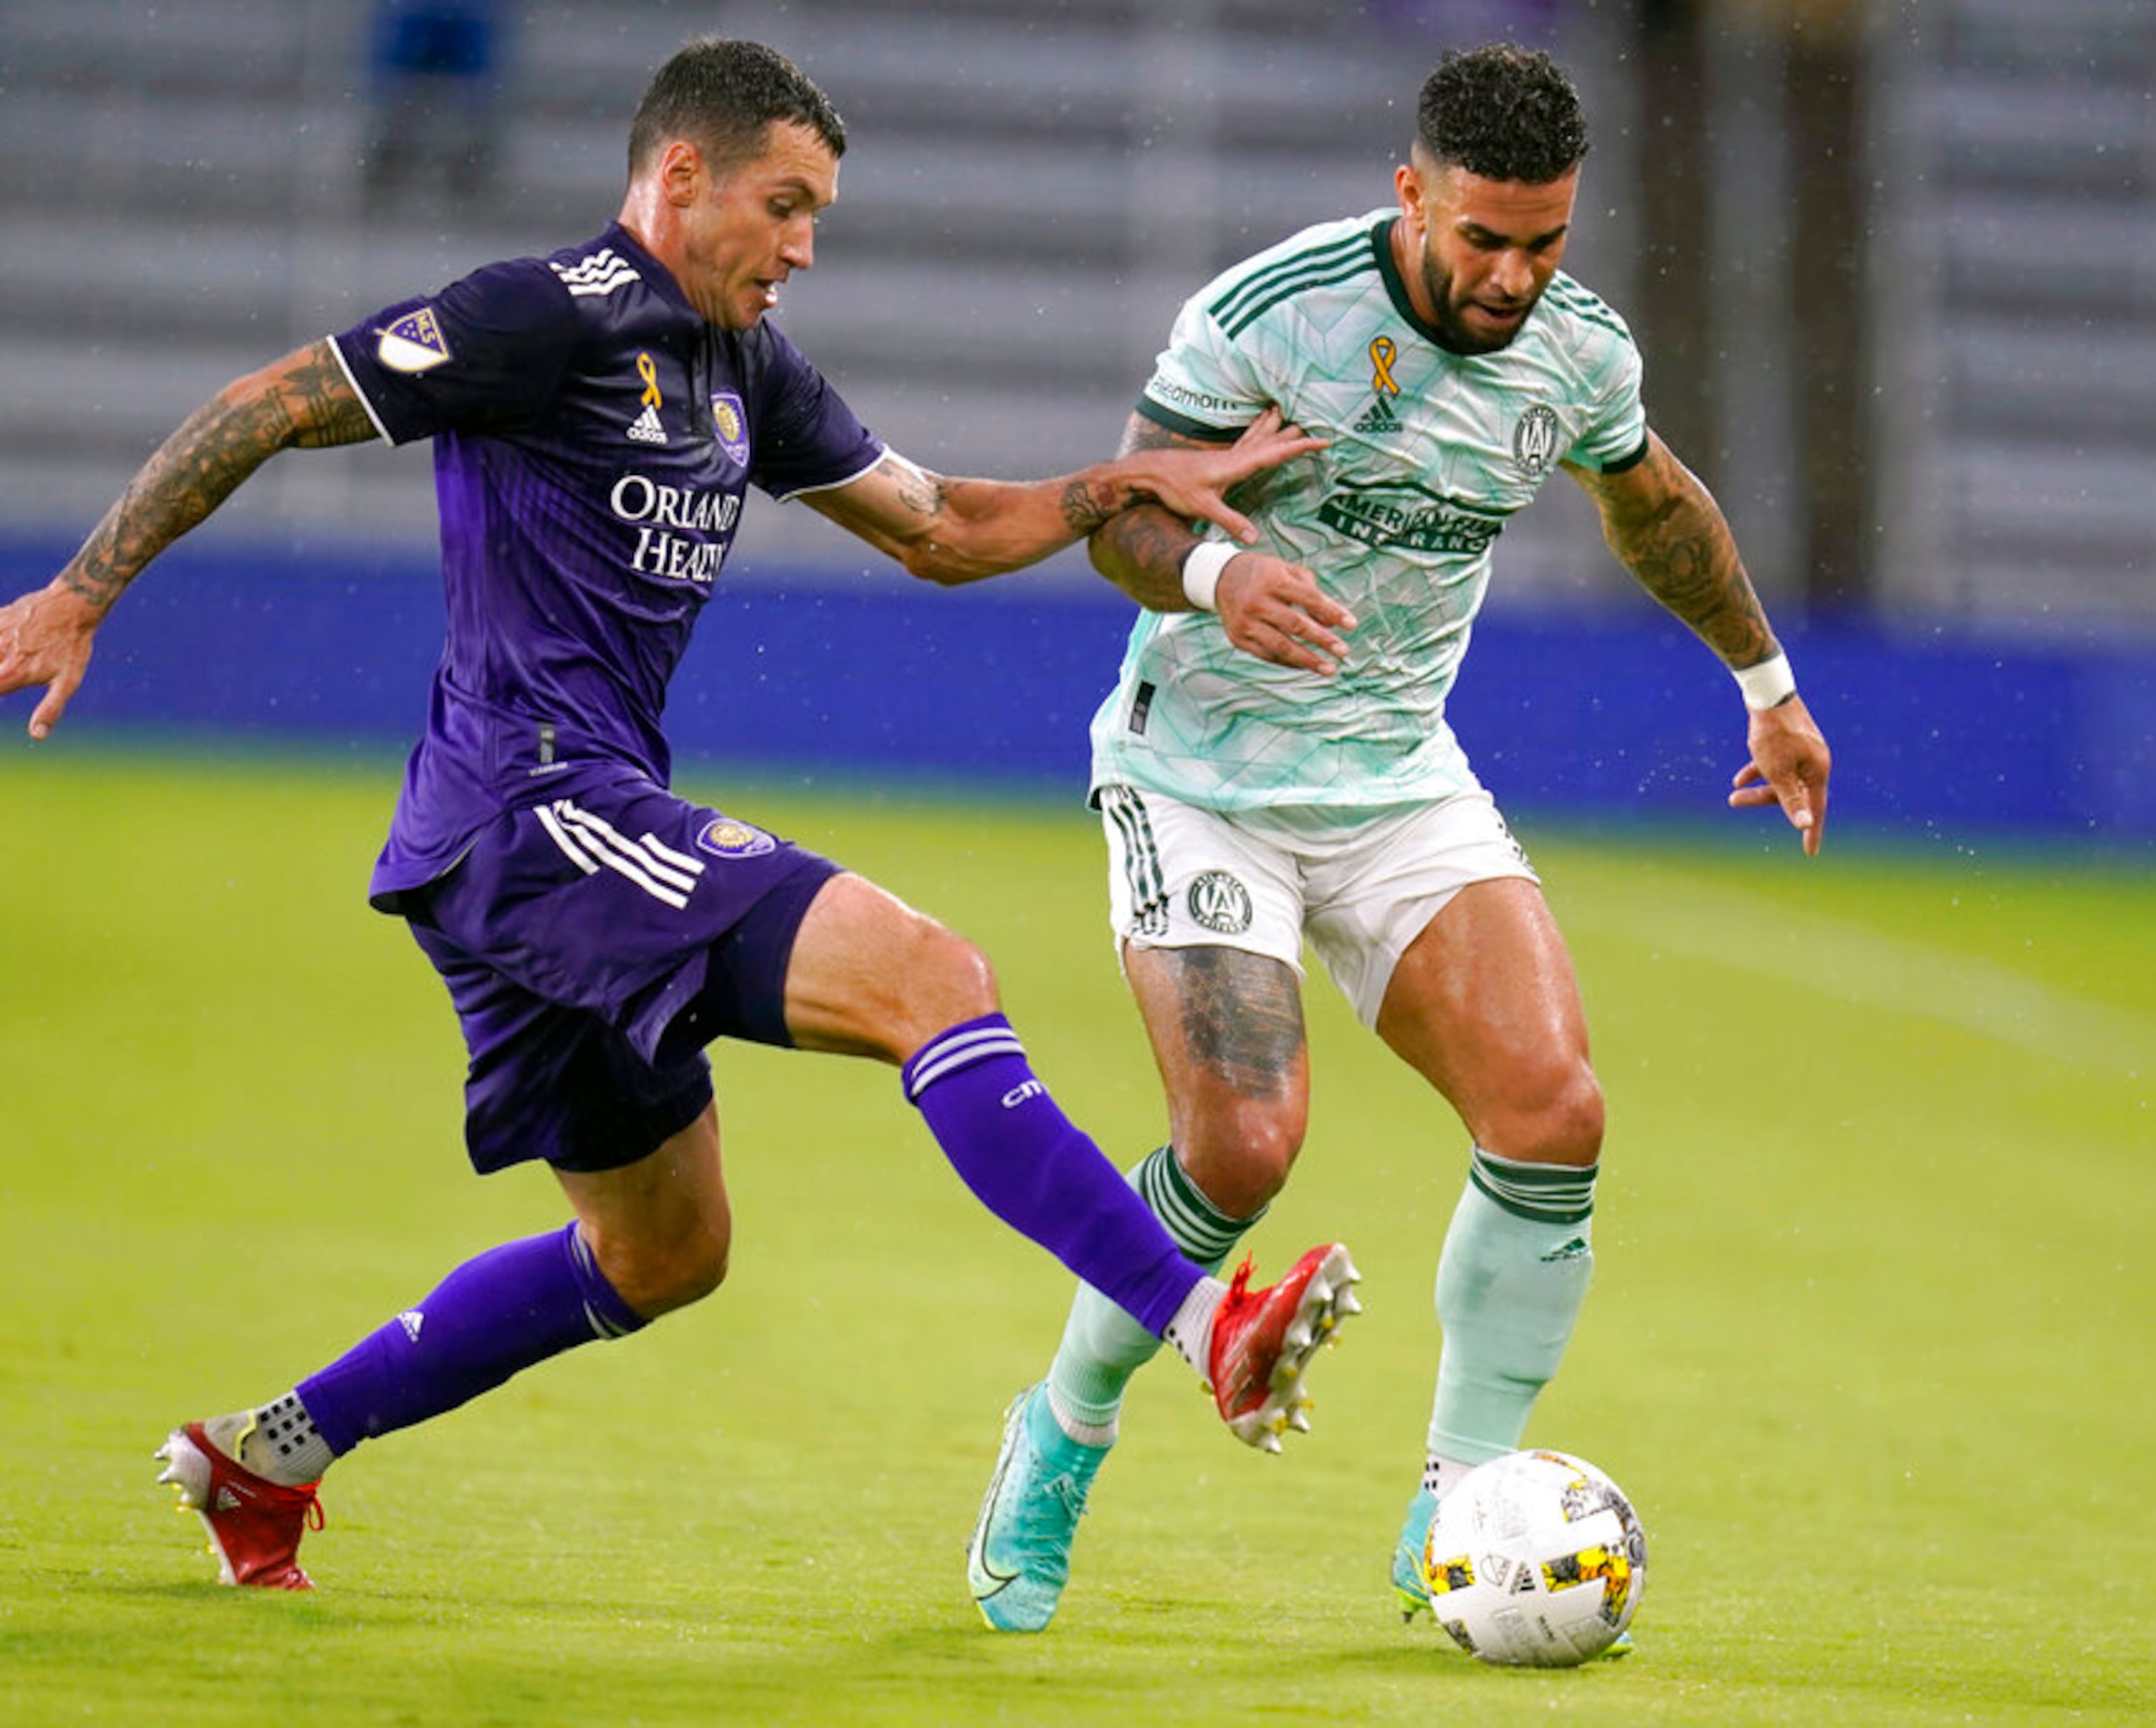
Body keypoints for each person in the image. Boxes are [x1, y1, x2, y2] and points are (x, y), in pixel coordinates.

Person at [0, 37, 1365, 1593]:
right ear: (680, 175)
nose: (801, 247)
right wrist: (80, 589)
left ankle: (267, 1455)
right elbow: (272, 400)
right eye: (784, 206)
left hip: (524, 846)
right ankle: (1208, 1326)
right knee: (933, 976)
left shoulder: (743, 367)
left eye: (819, 218)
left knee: (665, 1252)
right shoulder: (541, 314)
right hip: (532, 801)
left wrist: (1119, 484)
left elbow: (937, 526)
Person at [964, 43, 1831, 1636]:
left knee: (1552, 1108)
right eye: (1480, 238)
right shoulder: (1265, 312)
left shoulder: (1572, 352)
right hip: (1201, 769)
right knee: (1241, 1141)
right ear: (1409, 194)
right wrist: (1224, 579)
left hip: (1393, 778)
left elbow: (1654, 504)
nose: (1511, 276)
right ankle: (1064, 1425)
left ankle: (1461, 1498)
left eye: (1545, 241)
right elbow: (1132, 514)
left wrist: (1764, 687)